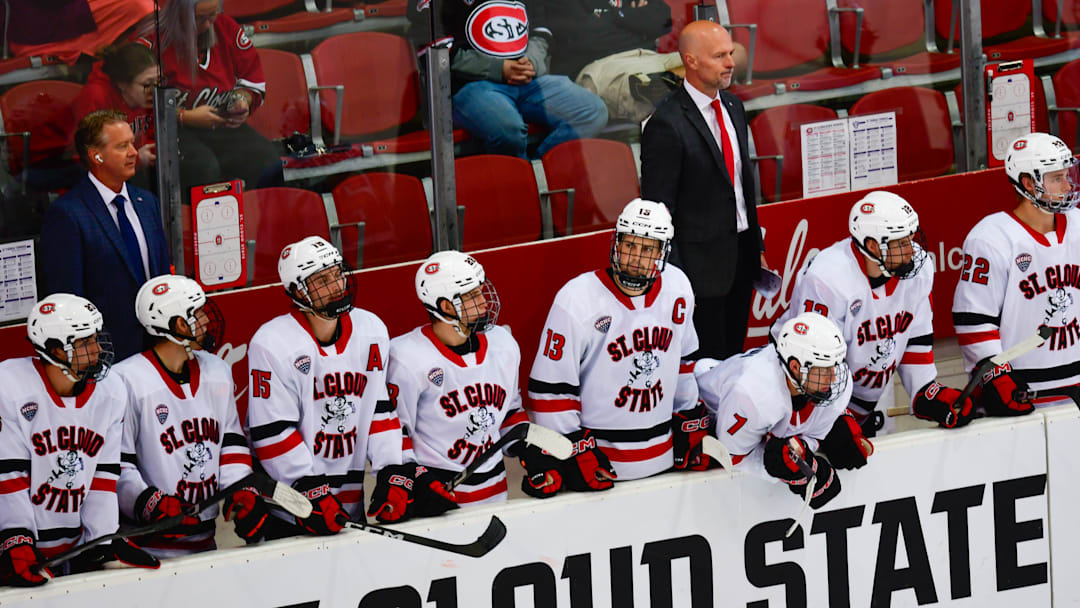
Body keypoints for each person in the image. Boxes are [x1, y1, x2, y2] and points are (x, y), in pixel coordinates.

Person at [527, 198, 700, 492]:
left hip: (665, 458)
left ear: (663, 253)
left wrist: (689, 415)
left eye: (648, 249)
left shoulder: (678, 287)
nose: (636, 257)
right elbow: (550, 390)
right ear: (616, 243)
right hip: (600, 464)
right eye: (630, 245)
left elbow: (684, 362)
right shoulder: (576, 298)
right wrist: (571, 450)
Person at [245, 236, 410, 538]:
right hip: (293, 509)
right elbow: (271, 431)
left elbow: (378, 408)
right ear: (297, 291)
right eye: (322, 280)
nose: (336, 285)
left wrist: (391, 469)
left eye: (337, 274)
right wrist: (311, 491)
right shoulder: (271, 343)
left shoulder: (371, 329)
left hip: (349, 506)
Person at [772, 191, 974, 435]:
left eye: (910, 239)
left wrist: (926, 392)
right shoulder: (828, 278)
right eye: (901, 243)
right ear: (872, 246)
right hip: (801, 401)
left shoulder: (918, 272)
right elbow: (812, 367)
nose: (912, 250)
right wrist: (832, 423)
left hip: (862, 402)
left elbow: (915, 340)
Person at [0, 294, 159, 586]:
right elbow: (10, 475)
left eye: (96, 338)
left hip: (72, 551)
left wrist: (102, 540)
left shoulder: (110, 391)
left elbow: (103, 475)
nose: (98, 349)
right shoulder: (10, 386)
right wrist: (15, 539)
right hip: (17, 553)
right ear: (55, 350)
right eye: (85, 343)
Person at [113, 275, 268, 557]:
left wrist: (242, 488)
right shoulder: (125, 381)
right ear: (177, 325)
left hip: (206, 543)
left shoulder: (218, 370)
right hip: (148, 549)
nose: (206, 321)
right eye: (197, 314)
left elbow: (230, 444)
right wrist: (149, 501)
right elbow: (115, 466)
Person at [640, 20, 764, 360]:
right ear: (691, 61)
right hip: (698, 271)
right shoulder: (666, 123)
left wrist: (756, 243)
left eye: (730, 53)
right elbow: (658, 211)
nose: (730, 63)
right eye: (719, 56)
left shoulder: (735, 107)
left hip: (740, 255)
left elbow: (741, 186)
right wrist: (676, 280)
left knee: (735, 358)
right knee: (706, 367)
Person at [388, 250, 546, 513]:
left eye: (481, 291)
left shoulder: (502, 343)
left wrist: (528, 450)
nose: (484, 302)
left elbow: (509, 411)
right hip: (437, 498)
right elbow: (394, 433)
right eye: (472, 296)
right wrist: (417, 479)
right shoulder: (406, 358)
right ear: (446, 307)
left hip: (497, 493)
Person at [953, 132, 1080, 412]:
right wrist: (996, 376)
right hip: (1023, 394)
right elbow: (974, 321)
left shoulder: (1078, 224)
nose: (1068, 184)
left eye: (1067, 175)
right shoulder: (991, 238)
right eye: (1057, 178)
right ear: (1028, 183)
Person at [697, 312, 870, 509]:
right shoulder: (752, 395)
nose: (833, 379)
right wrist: (775, 464)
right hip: (708, 408)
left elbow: (811, 438)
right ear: (795, 367)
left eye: (835, 366)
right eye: (824, 369)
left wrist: (801, 450)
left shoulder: (829, 382)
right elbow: (732, 457)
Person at [39, 109, 172, 361]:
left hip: (157, 351)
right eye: (122, 146)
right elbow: (68, 297)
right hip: (106, 356)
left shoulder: (147, 203)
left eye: (132, 143)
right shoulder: (67, 214)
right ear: (96, 156)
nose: (134, 152)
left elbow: (161, 275)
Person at [413, 0, 608, 158]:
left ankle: (538, 173)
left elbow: (542, 31)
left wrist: (531, 61)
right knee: (508, 130)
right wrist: (499, 68)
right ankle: (519, 184)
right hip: (470, 86)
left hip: (527, 80)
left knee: (592, 112)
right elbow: (434, 50)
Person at [138, 0, 281, 192]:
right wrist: (185, 116)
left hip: (217, 121)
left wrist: (242, 100)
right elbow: (136, 104)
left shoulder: (226, 27)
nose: (208, 25)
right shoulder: (150, 40)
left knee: (267, 160)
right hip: (168, 129)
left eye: (212, 14)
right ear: (175, 13)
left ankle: (260, 219)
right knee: (202, 169)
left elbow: (251, 78)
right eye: (199, 18)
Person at [73, 42, 159, 184]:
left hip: (127, 170)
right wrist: (136, 159)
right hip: (77, 171)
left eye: (158, 81)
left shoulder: (146, 99)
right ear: (122, 84)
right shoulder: (96, 97)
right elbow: (90, 157)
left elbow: (150, 136)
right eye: (146, 85)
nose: (154, 91)